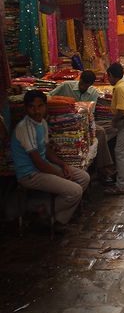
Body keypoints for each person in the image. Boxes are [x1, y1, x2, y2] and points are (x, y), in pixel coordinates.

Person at [10, 90, 90, 225]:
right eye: (32, 107)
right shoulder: (25, 128)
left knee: (84, 178)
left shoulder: (42, 123)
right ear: (26, 108)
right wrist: (59, 173)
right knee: (75, 191)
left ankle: (54, 218)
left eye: (40, 106)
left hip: (43, 167)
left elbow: (46, 150)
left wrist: (63, 165)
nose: (36, 111)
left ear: (45, 106)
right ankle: (44, 212)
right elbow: (37, 161)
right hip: (30, 174)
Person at [49, 70, 115, 183]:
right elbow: (49, 96)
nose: (84, 87)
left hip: (84, 123)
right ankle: (103, 169)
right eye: (82, 84)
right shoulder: (66, 86)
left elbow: (90, 112)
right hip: (62, 122)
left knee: (101, 131)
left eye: (87, 85)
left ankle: (103, 168)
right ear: (80, 80)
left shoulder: (93, 92)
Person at [105, 63, 124, 195]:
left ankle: (121, 185)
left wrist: (114, 121)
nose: (108, 79)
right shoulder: (123, 85)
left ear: (111, 75)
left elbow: (121, 110)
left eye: (108, 76)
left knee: (120, 152)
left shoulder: (119, 88)